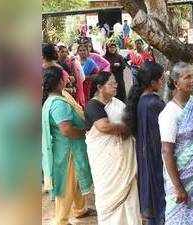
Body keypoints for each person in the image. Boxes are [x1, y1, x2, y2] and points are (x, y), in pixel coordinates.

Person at [84, 71, 142, 225]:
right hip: (105, 163)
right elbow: (104, 127)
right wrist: (125, 128)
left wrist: (126, 128)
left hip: (124, 162)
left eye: (115, 82)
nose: (116, 85)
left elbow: (128, 121)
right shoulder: (93, 105)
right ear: (100, 87)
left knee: (128, 195)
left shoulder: (118, 104)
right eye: (111, 83)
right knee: (108, 198)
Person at [42, 66, 94, 225]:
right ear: (58, 82)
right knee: (66, 185)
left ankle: (80, 209)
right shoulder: (59, 104)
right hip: (67, 151)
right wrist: (85, 132)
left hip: (65, 149)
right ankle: (61, 220)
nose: (67, 78)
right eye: (64, 77)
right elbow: (66, 129)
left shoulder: (54, 99)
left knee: (75, 180)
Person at [158, 62, 193, 225]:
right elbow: (166, 151)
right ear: (176, 83)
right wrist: (178, 187)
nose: (192, 80)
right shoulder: (169, 113)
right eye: (187, 77)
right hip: (180, 177)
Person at [124, 62, 166, 225]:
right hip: (155, 155)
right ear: (153, 82)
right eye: (160, 80)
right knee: (158, 195)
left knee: (150, 193)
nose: (162, 83)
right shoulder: (154, 104)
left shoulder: (141, 100)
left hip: (145, 154)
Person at [57, 44, 86, 108]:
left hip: (69, 91)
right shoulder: (55, 64)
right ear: (57, 53)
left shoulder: (71, 63)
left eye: (65, 52)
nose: (64, 54)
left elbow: (78, 78)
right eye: (62, 52)